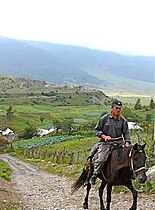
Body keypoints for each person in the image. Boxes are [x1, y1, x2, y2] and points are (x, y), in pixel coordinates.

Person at [89, 99, 131, 185]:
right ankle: (95, 174)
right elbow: (97, 130)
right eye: (116, 108)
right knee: (101, 158)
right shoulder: (104, 118)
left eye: (120, 108)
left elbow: (126, 133)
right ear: (112, 108)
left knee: (131, 155)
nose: (118, 110)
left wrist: (127, 142)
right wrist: (104, 136)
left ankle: (130, 174)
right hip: (106, 143)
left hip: (119, 142)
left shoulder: (123, 120)